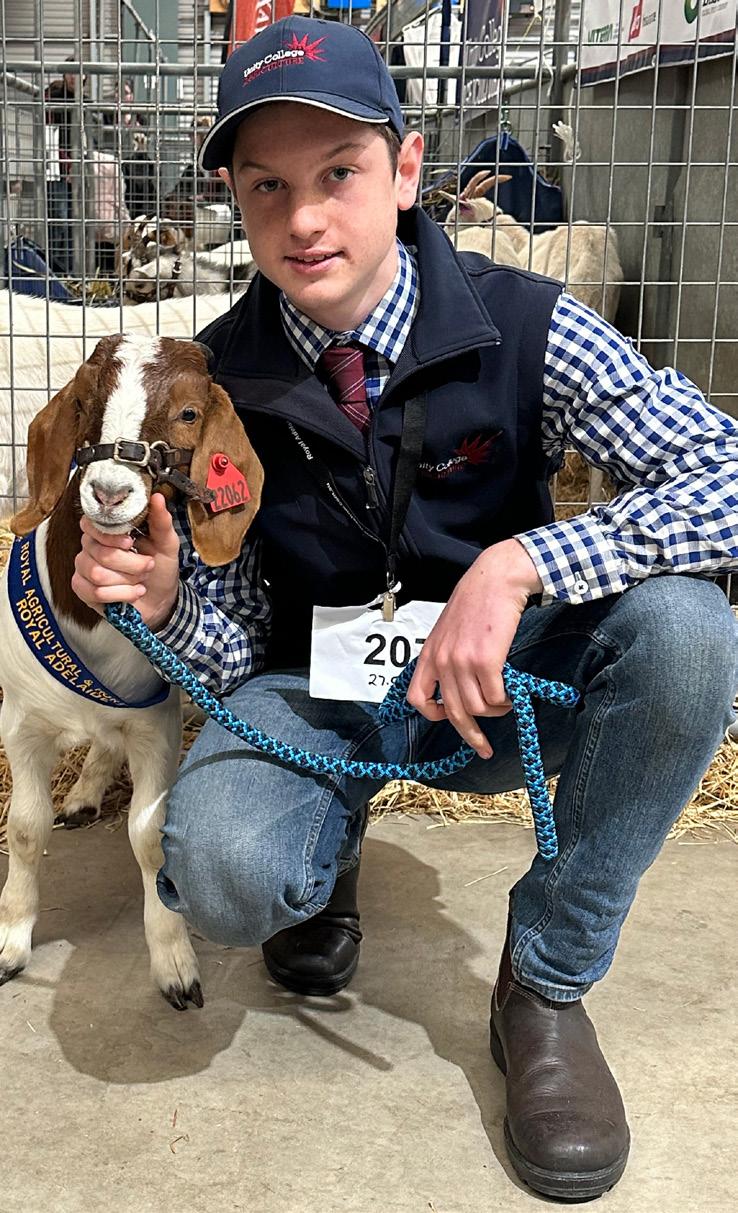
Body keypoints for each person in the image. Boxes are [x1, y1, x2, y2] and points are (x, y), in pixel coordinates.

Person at [71, 16, 738, 1202]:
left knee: (689, 633)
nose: (305, 218)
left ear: (408, 168)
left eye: (339, 173)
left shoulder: (530, 325)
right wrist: (170, 601)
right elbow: (237, 643)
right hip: (321, 686)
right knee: (223, 873)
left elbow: (724, 473)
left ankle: (548, 982)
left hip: (501, 689)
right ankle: (323, 847)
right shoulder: (214, 383)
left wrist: (524, 561)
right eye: (268, 186)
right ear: (234, 198)